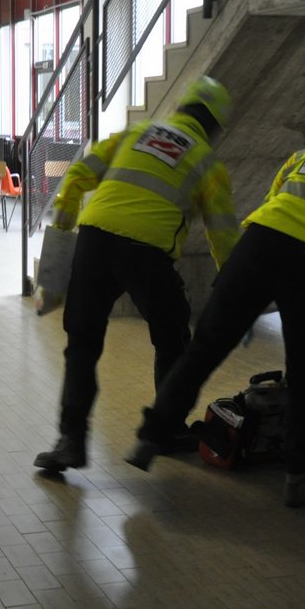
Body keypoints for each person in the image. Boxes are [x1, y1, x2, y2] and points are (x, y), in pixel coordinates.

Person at [126, 96, 305, 507]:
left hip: (256, 247)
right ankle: (300, 475)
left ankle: (152, 436)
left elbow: (274, 201)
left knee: (204, 349)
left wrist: (246, 285)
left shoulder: (304, 155)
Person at [33, 76, 241, 474]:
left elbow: (76, 177)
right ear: (213, 125)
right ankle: (161, 432)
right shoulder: (206, 162)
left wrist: (61, 236)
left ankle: (70, 441)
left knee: (82, 343)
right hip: (148, 254)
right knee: (173, 339)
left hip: (94, 240)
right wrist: (235, 287)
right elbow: (224, 235)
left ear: (181, 108)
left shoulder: (137, 132)